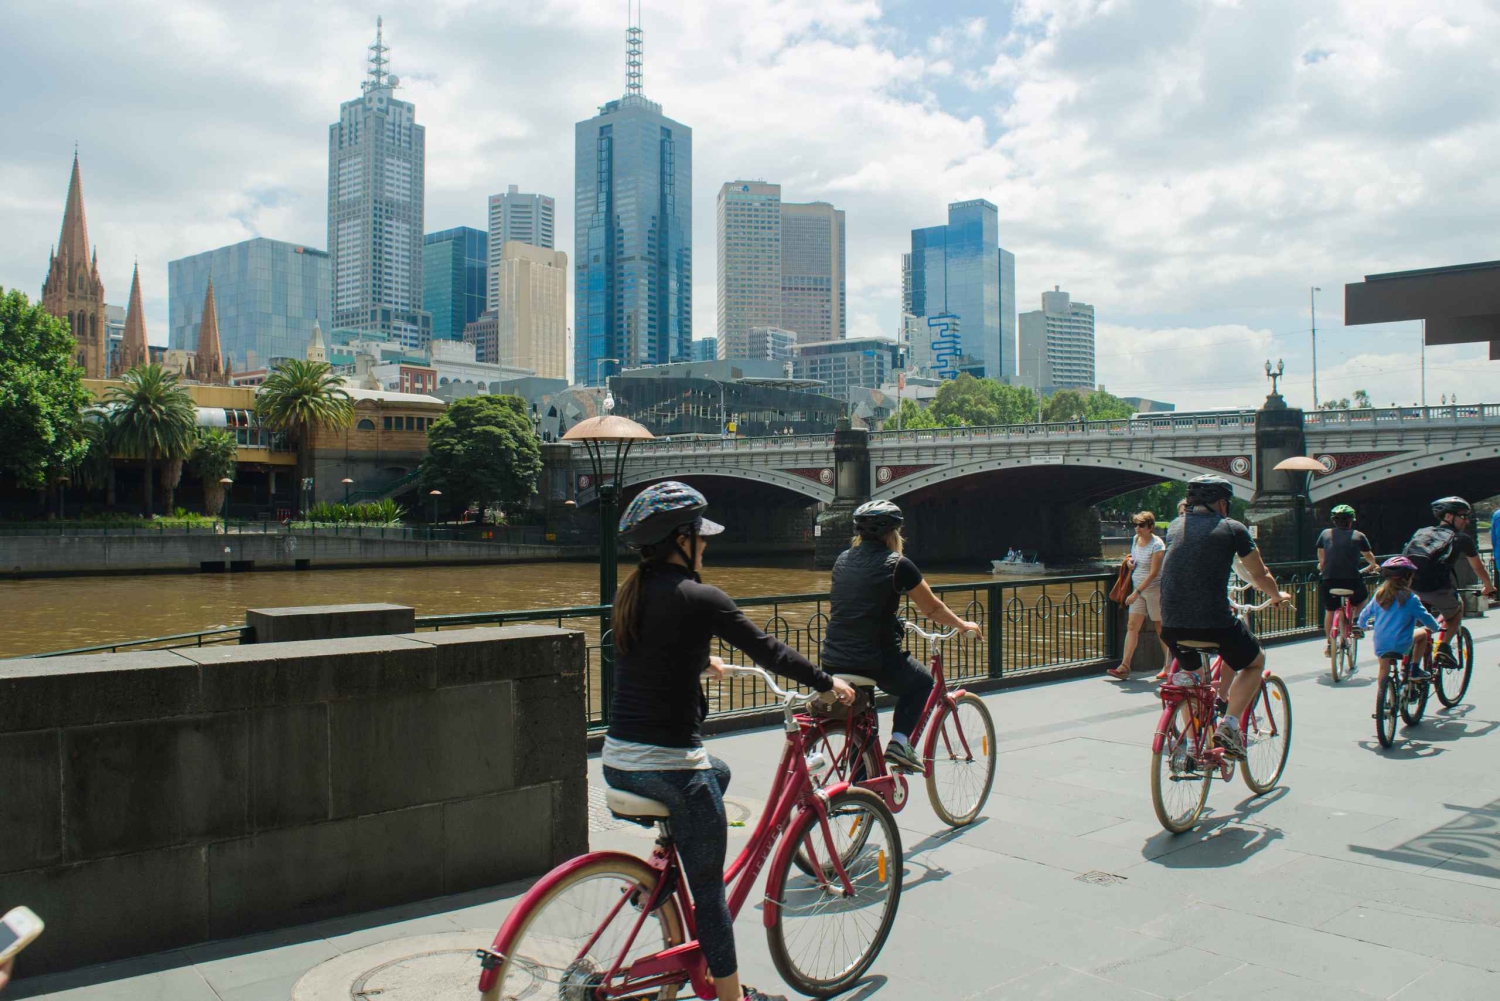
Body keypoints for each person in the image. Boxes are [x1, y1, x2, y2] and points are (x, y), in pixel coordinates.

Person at [601, 481, 856, 1001]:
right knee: (712, 895)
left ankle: (663, 866)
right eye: (701, 537)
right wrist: (828, 683)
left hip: (617, 761)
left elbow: (655, 655)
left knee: (719, 773)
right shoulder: (701, 597)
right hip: (670, 767)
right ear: (681, 540)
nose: (707, 546)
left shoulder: (630, 596)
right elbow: (770, 651)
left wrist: (702, 659)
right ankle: (733, 996)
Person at [821, 499, 982, 773]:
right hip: (874, 658)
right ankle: (900, 742)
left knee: (862, 723)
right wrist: (961, 624)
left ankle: (863, 793)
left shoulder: (842, 560)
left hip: (834, 657)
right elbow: (932, 608)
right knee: (921, 683)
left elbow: (857, 603)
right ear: (893, 534)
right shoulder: (898, 564)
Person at [1158, 475, 1291, 760]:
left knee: (1193, 684)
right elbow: (1259, 574)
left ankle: (1193, 748)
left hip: (1170, 626)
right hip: (1215, 625)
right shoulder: (1233, 528)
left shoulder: (1174, 526)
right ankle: (1230, 725)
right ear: (1222, 502)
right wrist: (1277, 595)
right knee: (1254, 662)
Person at [1402, 496, 1497, 665]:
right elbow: (1478, 566)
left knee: (1418, 626)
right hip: (1438, 589)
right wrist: (1488, 586)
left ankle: (1410, 672)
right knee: (1456, 611)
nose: (1466, 521)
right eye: (1463, 516)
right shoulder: (1461, 538)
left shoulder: (1421, 532)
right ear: (1448, 516)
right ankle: (1443, 648)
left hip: (1411, 589)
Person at [1107, 511, 1170, 681]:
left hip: (1153, 590)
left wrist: (1137, 593)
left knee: (1160, 627)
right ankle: (1124, 666)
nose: (1137, 528)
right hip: (1138, 589)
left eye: (1141, 525)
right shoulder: (1135, 540)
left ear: (1150, 527)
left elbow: (1154, 572)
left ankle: (1169, 667)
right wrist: (1128, 562)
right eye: (1136, 525)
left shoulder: (1157, 545)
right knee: (1132, 626)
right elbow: (1133, 558)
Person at [1357, 556, 1440, 684]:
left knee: (1383, 669)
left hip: (1381, 643)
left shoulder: (1379, 595)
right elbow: (1425, 617)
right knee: (1422, 634)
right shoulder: (1410, 598)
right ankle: (1414, 668)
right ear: (1408, 579)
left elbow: (1364, 615)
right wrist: (1436, 628)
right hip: (1402, 643)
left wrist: (1363, 625)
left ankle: (1383, 698)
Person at [1316, 504, 1379, 657]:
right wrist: (1373, 565)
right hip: (1351, 579)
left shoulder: (1325, 534)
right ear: (1351, 521)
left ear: (1333, 521)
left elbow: (1321, 556)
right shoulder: (1358, 536)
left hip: (1329, 579)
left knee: (1330, 610)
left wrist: (1322, 566)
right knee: (1363, 598)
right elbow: (1368, 556)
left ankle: (1329, 644)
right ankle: (1356, 620)